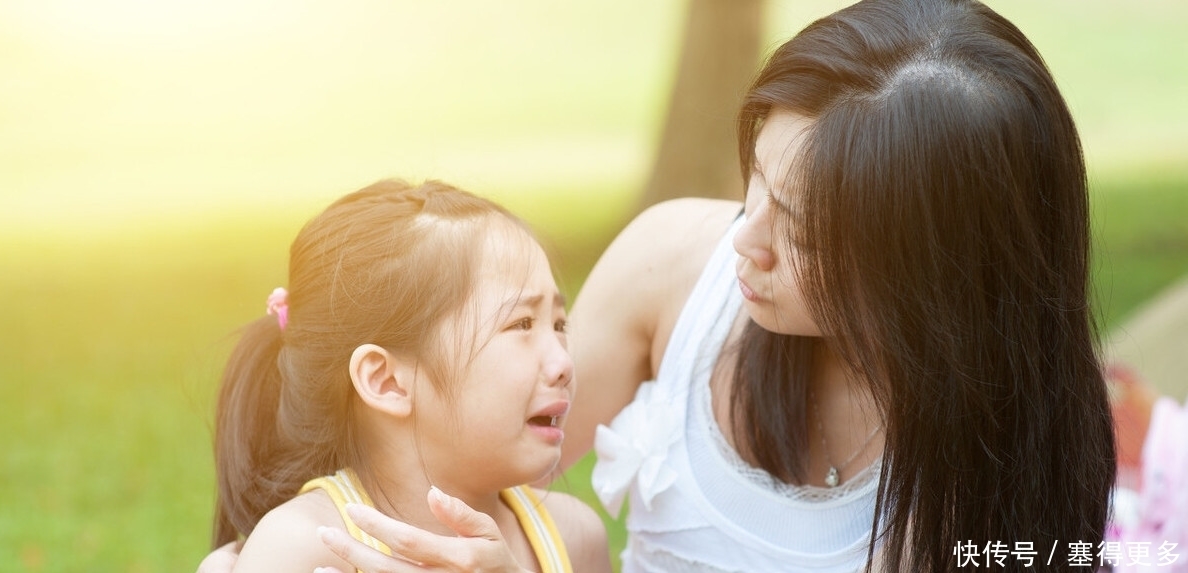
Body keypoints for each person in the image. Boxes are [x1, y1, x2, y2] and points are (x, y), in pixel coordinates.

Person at [200, 0, 1115, 570]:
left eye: (797, 228)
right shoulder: (672, 267)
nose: (741, 239)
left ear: (930, 270)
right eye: (752, 179)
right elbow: (443, 441)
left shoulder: (1005, 461)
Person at [207, 179, 609, 573]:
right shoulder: (305, 548)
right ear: (387, 381)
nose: (563, 363)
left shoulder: (575, 537)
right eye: (521, 323)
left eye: (559, 324)